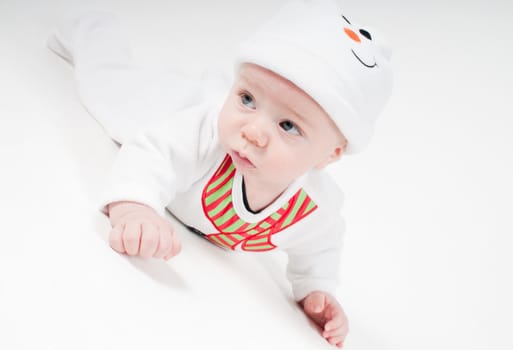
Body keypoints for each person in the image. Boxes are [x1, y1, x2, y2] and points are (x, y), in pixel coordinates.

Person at [48, 0, 392, 347]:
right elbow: (153, 153)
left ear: (331, 154)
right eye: (246, 98)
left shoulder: (313, 207)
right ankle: (90, 27)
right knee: (106, 89)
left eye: (288, 125)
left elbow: (321, 247)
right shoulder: (204, 132)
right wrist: (135, 207)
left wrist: (315, 289)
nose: (253, 132)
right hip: (169, 107)